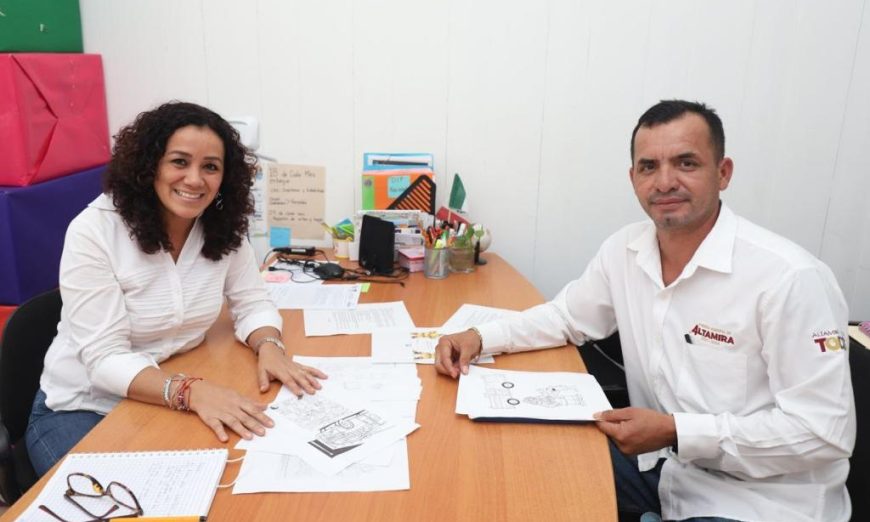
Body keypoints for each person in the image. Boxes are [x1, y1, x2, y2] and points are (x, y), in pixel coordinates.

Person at [435, 100, 856, 521]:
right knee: (514, 463)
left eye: (686, 163)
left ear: (723, 173)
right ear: (633, 178)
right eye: (649, 167)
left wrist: (676, 431)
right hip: (662, 471)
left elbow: (824, 433)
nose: (665, 182)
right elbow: (566, 317)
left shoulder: (790, 278)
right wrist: (480, 337)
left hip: (760, 502)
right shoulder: (625, 250)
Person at [26, 101, 326, 476]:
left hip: (164, 392)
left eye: (210, 167)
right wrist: (192, 392)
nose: (195, 180)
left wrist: (270, 346)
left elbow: (251, 302)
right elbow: (104, 359)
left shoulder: (221, 227)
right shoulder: (95, 231)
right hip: (84, 407)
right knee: (135, 502)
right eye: (179, 162)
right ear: (149, 165)